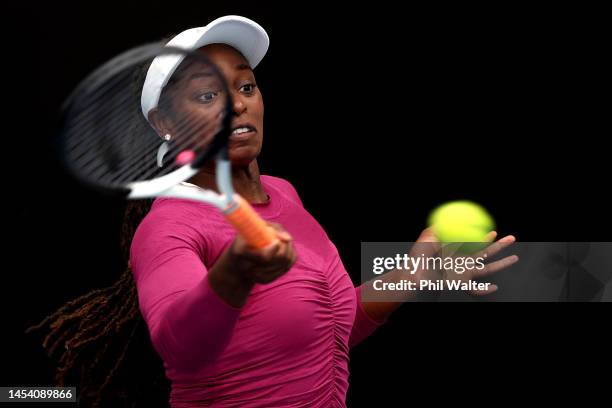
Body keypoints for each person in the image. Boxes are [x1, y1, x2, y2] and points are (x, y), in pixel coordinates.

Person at [29, 15, 517, 408]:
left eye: (246, 87)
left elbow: (328, 331)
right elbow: (181, 346)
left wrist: (410, 276)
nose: (238, 106)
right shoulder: (170, 228)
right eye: (206, 95)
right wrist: (235, 272)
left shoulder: (283, 194)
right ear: (165, 123)